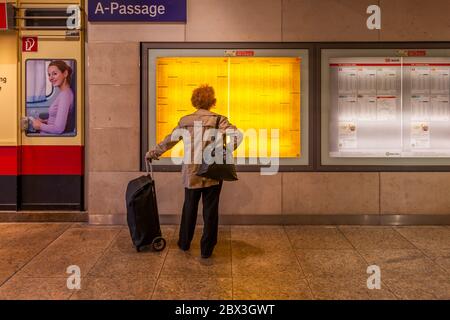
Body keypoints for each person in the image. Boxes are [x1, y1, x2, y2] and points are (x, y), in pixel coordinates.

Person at [146, 84, 242, 258]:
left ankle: (184, 243)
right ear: (212, 101)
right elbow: (237, 136)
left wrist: (154, 152)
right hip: (212, 172)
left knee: (189, 208)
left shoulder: (185, 121)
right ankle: (207, 250)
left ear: (194, 101)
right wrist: (223, 152)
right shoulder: (218, 119)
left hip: (191, 172)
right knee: (210, 211)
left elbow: (169, 141)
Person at [31, 60, 74, 135]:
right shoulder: (63, 93)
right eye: (49, 75)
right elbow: (57, 120)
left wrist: (40, 125)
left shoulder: (65, 95)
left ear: (65, 73)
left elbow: (58, 129)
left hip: (50, 139)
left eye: (54, 74)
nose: (50, 78)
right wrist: (45, 122)